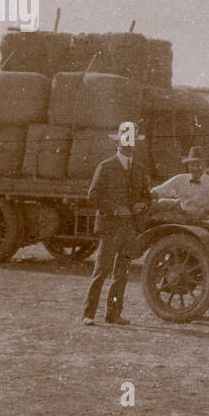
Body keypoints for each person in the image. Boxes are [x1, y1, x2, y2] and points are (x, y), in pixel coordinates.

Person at [82, 133, 151, 326]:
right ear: (118, 143)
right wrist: (114, 209)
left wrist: (142, 205)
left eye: (132, 143)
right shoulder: (106, 166)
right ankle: (88, 314)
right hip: (111, 227)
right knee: (102, 270)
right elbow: (93, 196)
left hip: (130, 228)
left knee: (122, 273)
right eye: (125, 142)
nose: (128, 146)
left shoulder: (139, 169)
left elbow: (147, 196)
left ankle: (113, 314)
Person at [149, 146, 209, 222]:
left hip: (200, 222)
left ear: (205, 166)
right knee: (158, 207)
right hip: (179, 217)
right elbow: (157, 191)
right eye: (192, 165)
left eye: (199, 165)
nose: (195, 168)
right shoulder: (180, 179)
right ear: (188, 166)